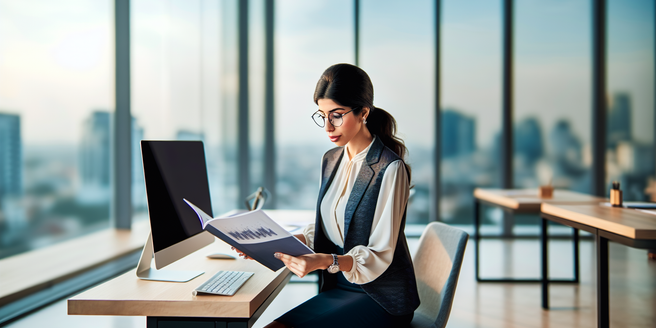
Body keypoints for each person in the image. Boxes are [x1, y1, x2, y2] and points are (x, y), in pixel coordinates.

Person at [239, 63, 420, 328]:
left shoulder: (389, 167)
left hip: (380, 297)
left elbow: (381, 253)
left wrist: (326, 260)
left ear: (363, 113)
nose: (327, 126)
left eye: (336, 115)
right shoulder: (332, 158)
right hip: (338, 287)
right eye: (322, 115)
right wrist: (269, 244)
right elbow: (328, 229)